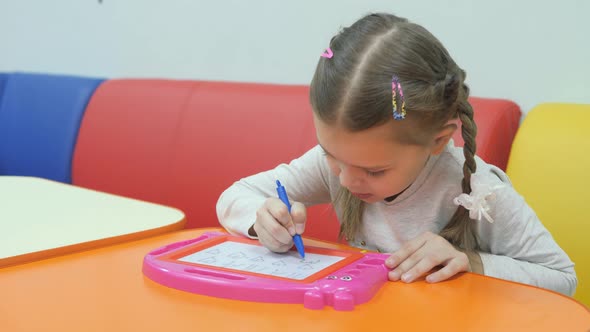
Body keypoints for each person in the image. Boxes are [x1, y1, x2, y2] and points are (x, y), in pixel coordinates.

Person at [216, 13, 576, 295]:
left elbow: (563, 278)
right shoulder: (343, 165)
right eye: (332, 155)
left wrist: (471, 262)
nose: (346, 179)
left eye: (374, 171)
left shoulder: (479, 193)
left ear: (438, 141)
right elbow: (234, 197)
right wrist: (260, 219)